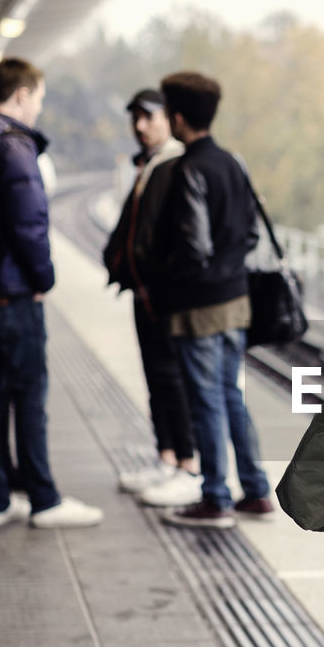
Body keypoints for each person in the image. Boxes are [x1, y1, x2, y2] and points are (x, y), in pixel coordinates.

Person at [0, 58, 103, 528]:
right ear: (20, 94)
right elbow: (30, 225)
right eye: (38, 98)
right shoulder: (12, 145)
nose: (37, 107)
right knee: (30, 395)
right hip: (10, 292)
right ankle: (44, 499)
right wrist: (43, 281)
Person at [152, 71, 273, 528]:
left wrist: (166, 279)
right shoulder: (232, 163)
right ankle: (256, 490)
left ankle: (215, 497)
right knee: (229, 396)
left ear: (178, 118)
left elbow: (194, 249)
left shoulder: (189, 169)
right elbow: (250, 232)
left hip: (199, 307)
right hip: (235, 301)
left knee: (204, 401)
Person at [103, 88, 201, 507]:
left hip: (167, 297)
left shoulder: (177, 164)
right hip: (146, 295)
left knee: (172, 378)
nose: (140, 126)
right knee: (156, 377)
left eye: (148, 117)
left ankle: (187, 464)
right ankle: (165, 457)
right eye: (135, 118)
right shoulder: (150, 164)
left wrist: (160, 281)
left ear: (170, 118)